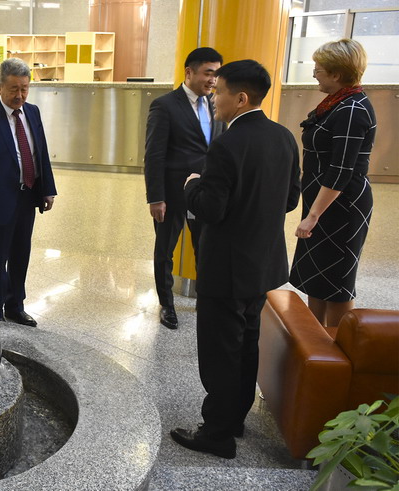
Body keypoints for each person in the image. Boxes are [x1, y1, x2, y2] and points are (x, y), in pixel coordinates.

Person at [171, 60, 301, 459]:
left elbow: (211, 208)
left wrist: (192, 185)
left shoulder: (227, 144)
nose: (214, 98)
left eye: (220, 92)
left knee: (219, 351)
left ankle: (217, 434)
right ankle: (235, 417)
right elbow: (291, 199)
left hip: (226, 267)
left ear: (241, 98)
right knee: (246, 343)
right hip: (262, 264)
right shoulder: (282, 138)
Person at [289, 39, 376, 327]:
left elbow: (341, 170)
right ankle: (313, 341)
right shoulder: (338, 102)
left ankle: (337, 349)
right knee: (318, 277)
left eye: (319, 69)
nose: (314, 73)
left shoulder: (352, 109)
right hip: (324, 202)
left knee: (337, 281)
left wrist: (313, 216)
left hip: (341, 206)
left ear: (337, 74)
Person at [144, 47, 224, 330]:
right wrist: (156, 197)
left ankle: (207, 299)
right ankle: (167, 304)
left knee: (206, 247)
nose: (213, 80)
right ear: (189, 72)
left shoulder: (217, 104)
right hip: (173, 192)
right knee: (165, 249)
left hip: (206, 192)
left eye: (216, 74)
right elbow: (154, 154)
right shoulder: (165, 105)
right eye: (208, 73)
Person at [0, 58, 57, 326]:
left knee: (21, 254)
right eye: (13, 89)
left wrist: (47, 189)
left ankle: (15, 305)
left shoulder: (32, 112)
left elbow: (40, 151)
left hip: (27, 195)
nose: (19, 95)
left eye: (24, 88)